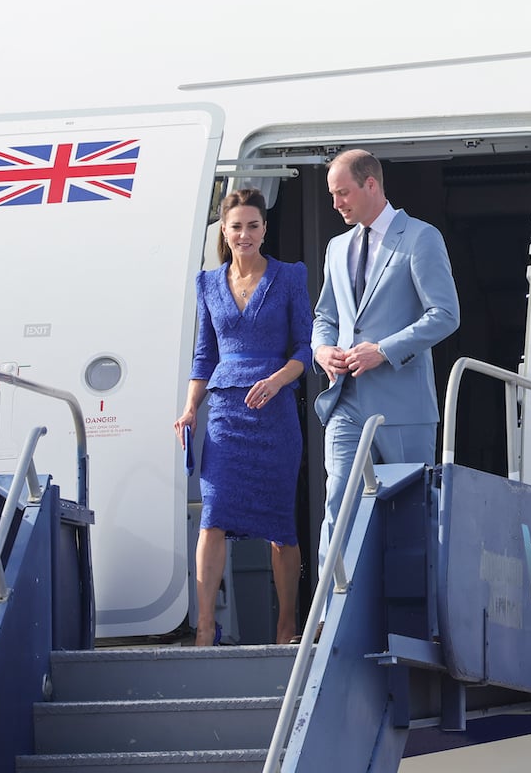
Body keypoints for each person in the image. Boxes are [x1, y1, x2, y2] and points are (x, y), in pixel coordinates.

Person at [174, 188, 312, 646]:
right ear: (224, 231)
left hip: (274, 416)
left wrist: (277, 381)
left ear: (264, 229)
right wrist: (191, 408)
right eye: (236, 226)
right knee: (212, 515)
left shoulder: (290, 276)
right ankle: (206, 625)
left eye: (253, 225)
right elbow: (203, 357)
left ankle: (287, 623)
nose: (245, 234)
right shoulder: (207, 283)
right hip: (225, 417)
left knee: (280, 525)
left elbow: (304, 349)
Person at [312, 149, 460, 570]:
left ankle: (417, 624)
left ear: (371, 185)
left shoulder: (420, 237)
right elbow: (325, 315)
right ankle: (328, 617)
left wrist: (384, 350)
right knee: (338, 499)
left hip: (403, 404)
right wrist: (322, 350)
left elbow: (446, 315)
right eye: (332, 194)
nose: (336, 203)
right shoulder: (337, 248)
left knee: (413, 514)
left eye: (343, 193)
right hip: (345, 400)